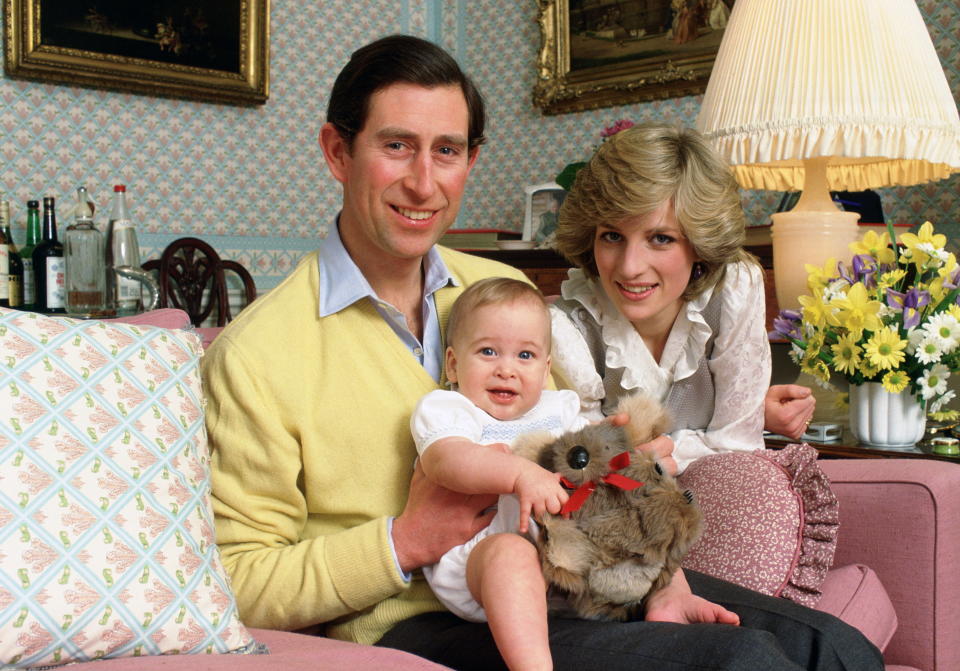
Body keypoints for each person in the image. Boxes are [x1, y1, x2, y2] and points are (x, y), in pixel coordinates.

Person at [203, 34, 882, 671]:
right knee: (743, 662)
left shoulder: (504, 293)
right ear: (337, 151)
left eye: (447, 150)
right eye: (397, 146)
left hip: (570, 575)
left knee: (835, 647)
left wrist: (628, 478)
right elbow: (239, 582)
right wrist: (404, 539)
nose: (423, 182)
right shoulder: (258, 353)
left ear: (470, 159)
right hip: (424, 615)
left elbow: (575, 453)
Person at [549, 122, 809, 475]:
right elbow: (586, 468)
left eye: (660, 238)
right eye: (612, 236)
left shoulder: (735, 288)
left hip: (720, 488)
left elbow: (739, 446)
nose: (629, 267)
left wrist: (667, 454)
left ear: (700, 244)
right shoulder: (564, 327)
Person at [411, 277, 587, 671]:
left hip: (564, 558)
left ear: (546, 369)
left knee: (630, 514)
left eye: (525, 356)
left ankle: (669, 596)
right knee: (511, 554)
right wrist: (520, 474)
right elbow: (447, 461)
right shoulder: (450, 410)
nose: (506, 370)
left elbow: (594, 456)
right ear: (454, 365)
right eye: (488, 352)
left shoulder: (558, 410)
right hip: (481, 557)